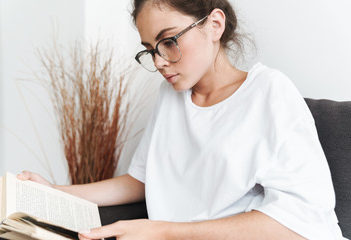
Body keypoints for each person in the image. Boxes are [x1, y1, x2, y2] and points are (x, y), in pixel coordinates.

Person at [18, 0, 346, 239]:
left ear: (215, 25)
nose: (160, 61)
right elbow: (141, 181)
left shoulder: (270, 93)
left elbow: (302, 223)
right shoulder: (171, 96)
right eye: (150, 49)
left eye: (169, 41)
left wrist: (162, 231)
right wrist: (56, 192)